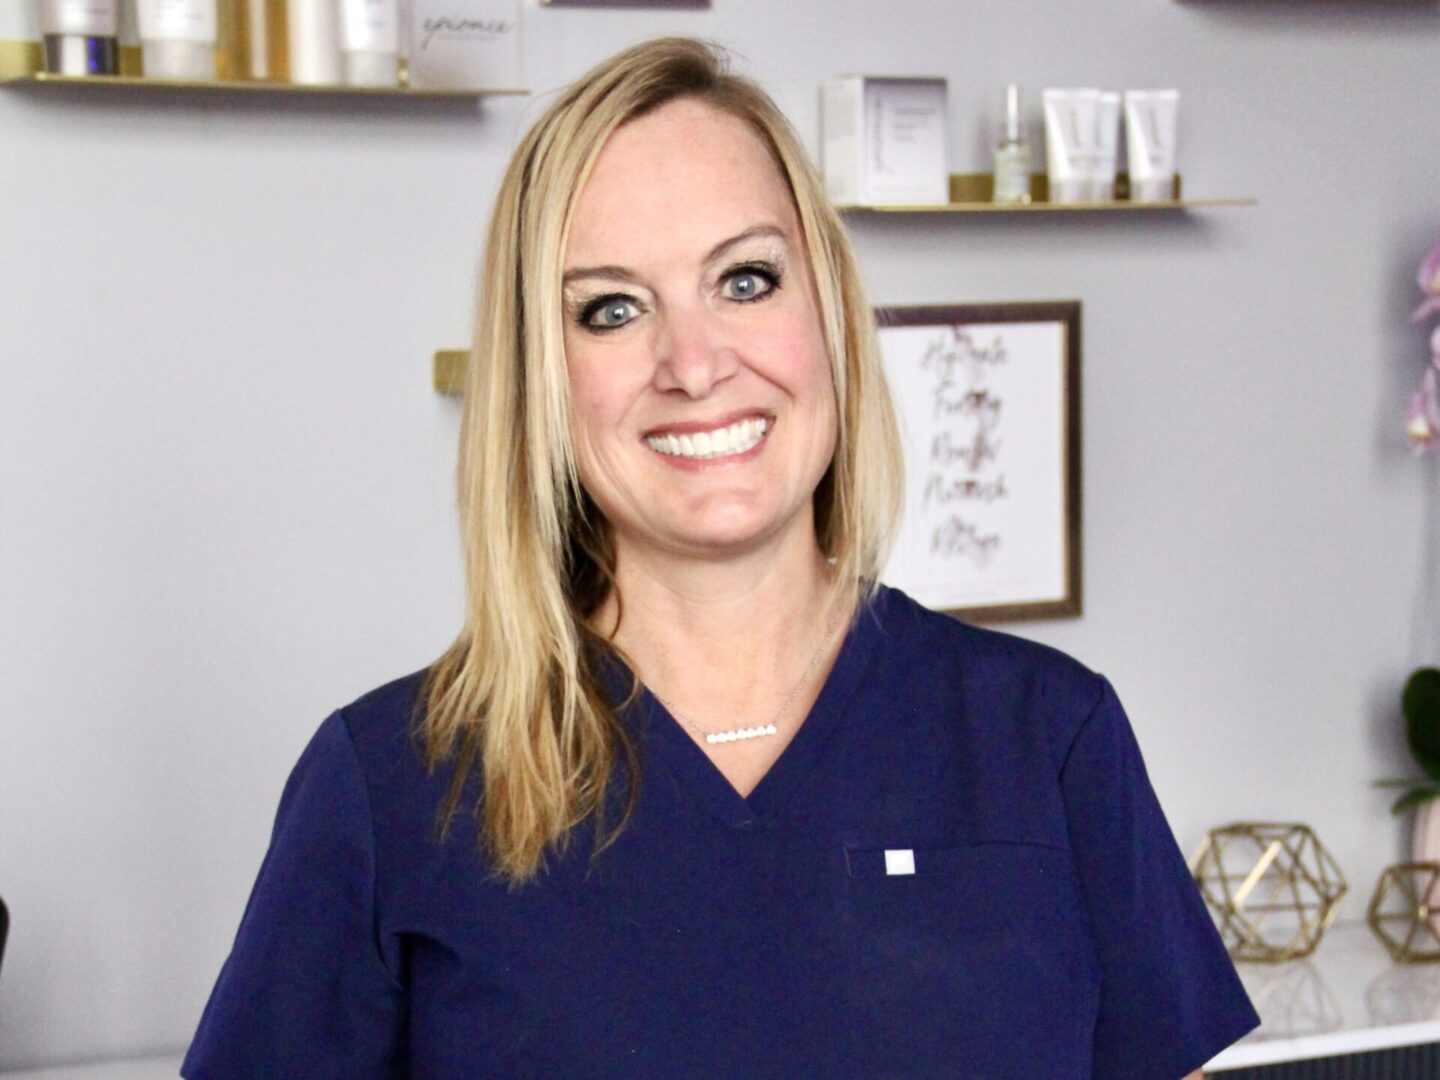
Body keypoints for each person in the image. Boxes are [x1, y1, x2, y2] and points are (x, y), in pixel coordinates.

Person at [183, 37, 1258, 1078]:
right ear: (539, 383)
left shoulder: (1048, 742)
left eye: (745, 280)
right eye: (611, 309)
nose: (694, 365)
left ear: (829, 310)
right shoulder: (391, 790)